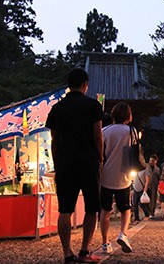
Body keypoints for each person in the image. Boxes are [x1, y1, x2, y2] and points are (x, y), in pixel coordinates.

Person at [45, 68, 103, 264]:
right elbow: (97, 135)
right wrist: (100, 157)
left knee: (65, 210)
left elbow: (53, 139)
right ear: (85, 84)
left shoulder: (57, 108)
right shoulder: (93, 106)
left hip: (65, 164)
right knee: (92, 208)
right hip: (88, 163)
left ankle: (67, 254)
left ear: (68, 85)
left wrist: (56, 160)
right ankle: (85, 251)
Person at [100, 102, 135, 254]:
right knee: (126, 208)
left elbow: (100, 153)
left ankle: (105, 243)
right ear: (128, 116)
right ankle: (123, 233)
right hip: (124, 175)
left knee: (105, 210)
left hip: (106, 175)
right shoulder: (131, 131)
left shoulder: (104, 131)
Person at [146, 154, 161, 219]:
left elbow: (159, 178)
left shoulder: (157, 169)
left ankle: (151, 213)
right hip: (146, 185)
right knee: (146, 200)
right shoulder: (146, 167)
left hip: (154, 185)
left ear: (156, 161)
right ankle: (147, 212)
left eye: (152, 160)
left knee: (153, 199)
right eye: (150, 160)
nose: (151, 162)